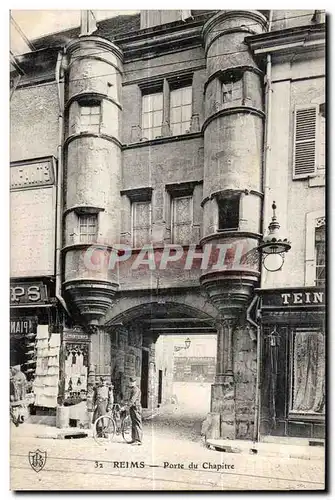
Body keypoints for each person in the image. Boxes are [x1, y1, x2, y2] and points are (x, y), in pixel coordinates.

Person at [123, 377, 142, 446]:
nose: (131, 383)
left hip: (136, 408)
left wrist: (126, 407)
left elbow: (132, 400)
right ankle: (134, 439)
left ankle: (138, 440)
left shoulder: (136, 390)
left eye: (132, 382)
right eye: (130, 382)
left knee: (137, 423)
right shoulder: (132, 389)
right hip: (132, 408)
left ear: (135, 382)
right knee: (133, 424)